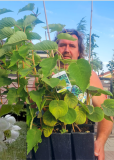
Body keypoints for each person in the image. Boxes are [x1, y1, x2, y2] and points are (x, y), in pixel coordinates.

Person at [53, 29, 113, 160]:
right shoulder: (47, 74)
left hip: (81, 143)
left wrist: (101, 142)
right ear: (55, 49)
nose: (67, 50)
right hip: (51, 145)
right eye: (62, 45)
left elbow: (106, 113)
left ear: (79, 52)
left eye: (72, 46)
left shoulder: (88, 76)